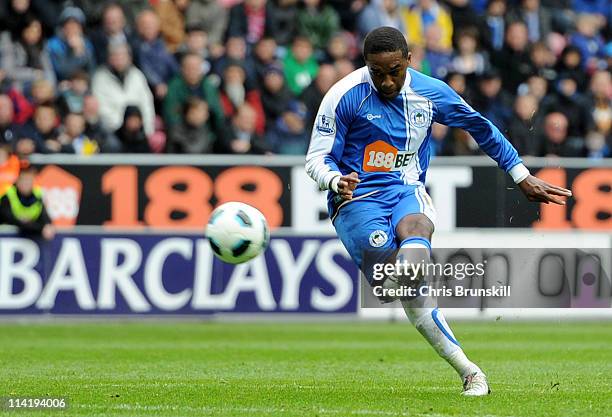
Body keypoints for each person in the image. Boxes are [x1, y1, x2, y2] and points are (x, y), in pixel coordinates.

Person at [305, 27, 571, 396]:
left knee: (417, 228)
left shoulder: (430, 93)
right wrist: (334, 180)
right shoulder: (343, 95)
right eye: (376, 72)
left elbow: (481, 128)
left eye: (394, 70)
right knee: (395, 287)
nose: (385, 81)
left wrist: (521, 175)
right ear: (364, 64)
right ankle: (456, 354)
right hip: (355, 200)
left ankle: (471, 373)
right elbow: (316, 158)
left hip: (405, 189)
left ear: (409, 59)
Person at [0, 163, 55, 240]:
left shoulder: (38, 195)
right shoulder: (8, 195)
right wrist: (39, 228)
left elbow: (44, 217)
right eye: (24, 179)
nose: (26, 183)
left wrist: (47, 225)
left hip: (31, 237)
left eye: (29, 180)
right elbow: (10, 219)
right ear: (18, 180)